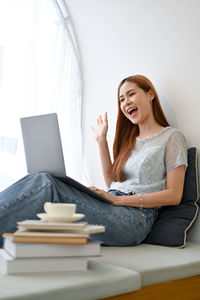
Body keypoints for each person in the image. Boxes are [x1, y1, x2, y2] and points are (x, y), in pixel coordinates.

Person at [0, 75, 187, 247]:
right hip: (113, 205)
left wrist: (119, 201)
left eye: (131, 94)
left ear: (150, 94)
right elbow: (111, 181)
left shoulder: (171, 137)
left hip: (135, 219)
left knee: (47, 186)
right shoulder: (130, 140)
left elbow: (174, 195)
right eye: (121, 99)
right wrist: (101, 141)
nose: (126, 102)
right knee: (42, 177)